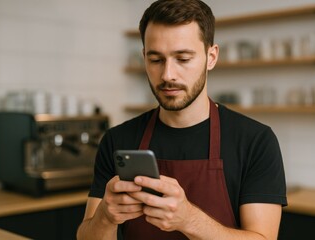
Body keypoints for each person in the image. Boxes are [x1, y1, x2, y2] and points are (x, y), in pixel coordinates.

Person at [77, 0, 287, 239]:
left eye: (183, 59)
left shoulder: (255, 141)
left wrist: (189, 220)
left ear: (211, 57)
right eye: (156, 60)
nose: (168, 75)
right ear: (144, 57)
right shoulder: (118, 139)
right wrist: (105, 216)